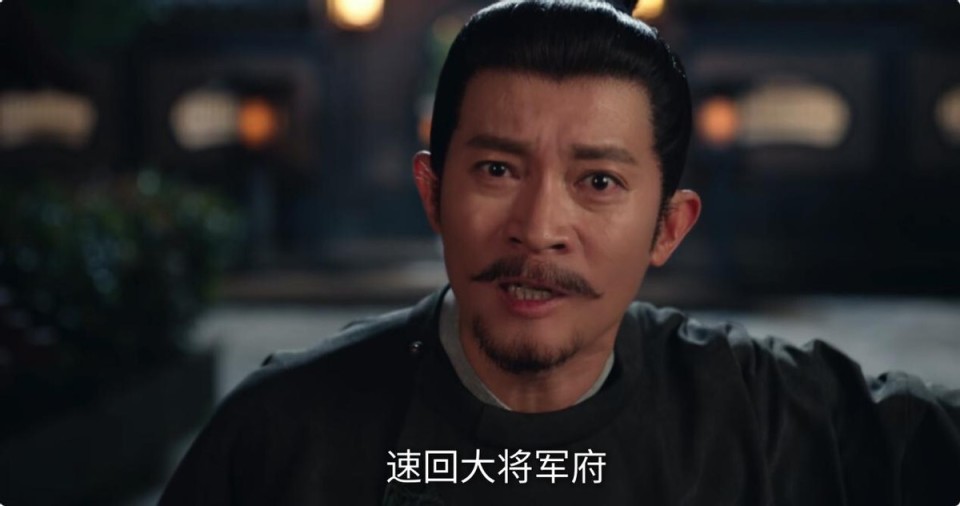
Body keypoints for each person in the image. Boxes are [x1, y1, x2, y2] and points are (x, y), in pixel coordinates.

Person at [159, 1, 960, 504]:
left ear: (669, 227)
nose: (539, 227)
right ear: (433, 193)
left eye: (599, 181)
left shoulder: (767, 415)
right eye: (497, 170)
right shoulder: (282, 434)